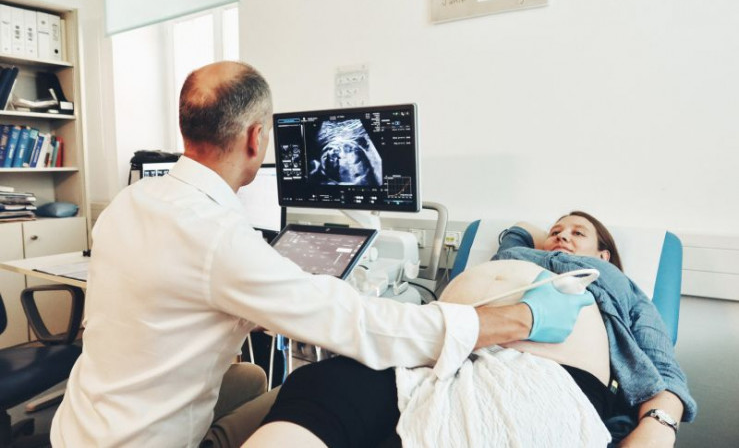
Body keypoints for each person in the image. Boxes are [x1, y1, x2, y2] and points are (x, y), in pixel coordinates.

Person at [48, 61, 594, 448]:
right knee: (311, 386)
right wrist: (516, 319)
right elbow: (357, 324)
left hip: (79, 427)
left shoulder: (132, 200)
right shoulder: (218, 236)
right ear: (257, 138)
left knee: (258, 379)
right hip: (142, 441)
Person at [246, 211, 696, 447]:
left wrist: (659, 426)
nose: (562, 235)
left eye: (579, 233)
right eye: (556, 229)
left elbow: (662, 363)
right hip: (445, 354)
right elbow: (517, 232)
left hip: (549, 375)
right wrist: (542, 237)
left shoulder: (615, 282)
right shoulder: (518, 252)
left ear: (603, 255)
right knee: (322, 382)